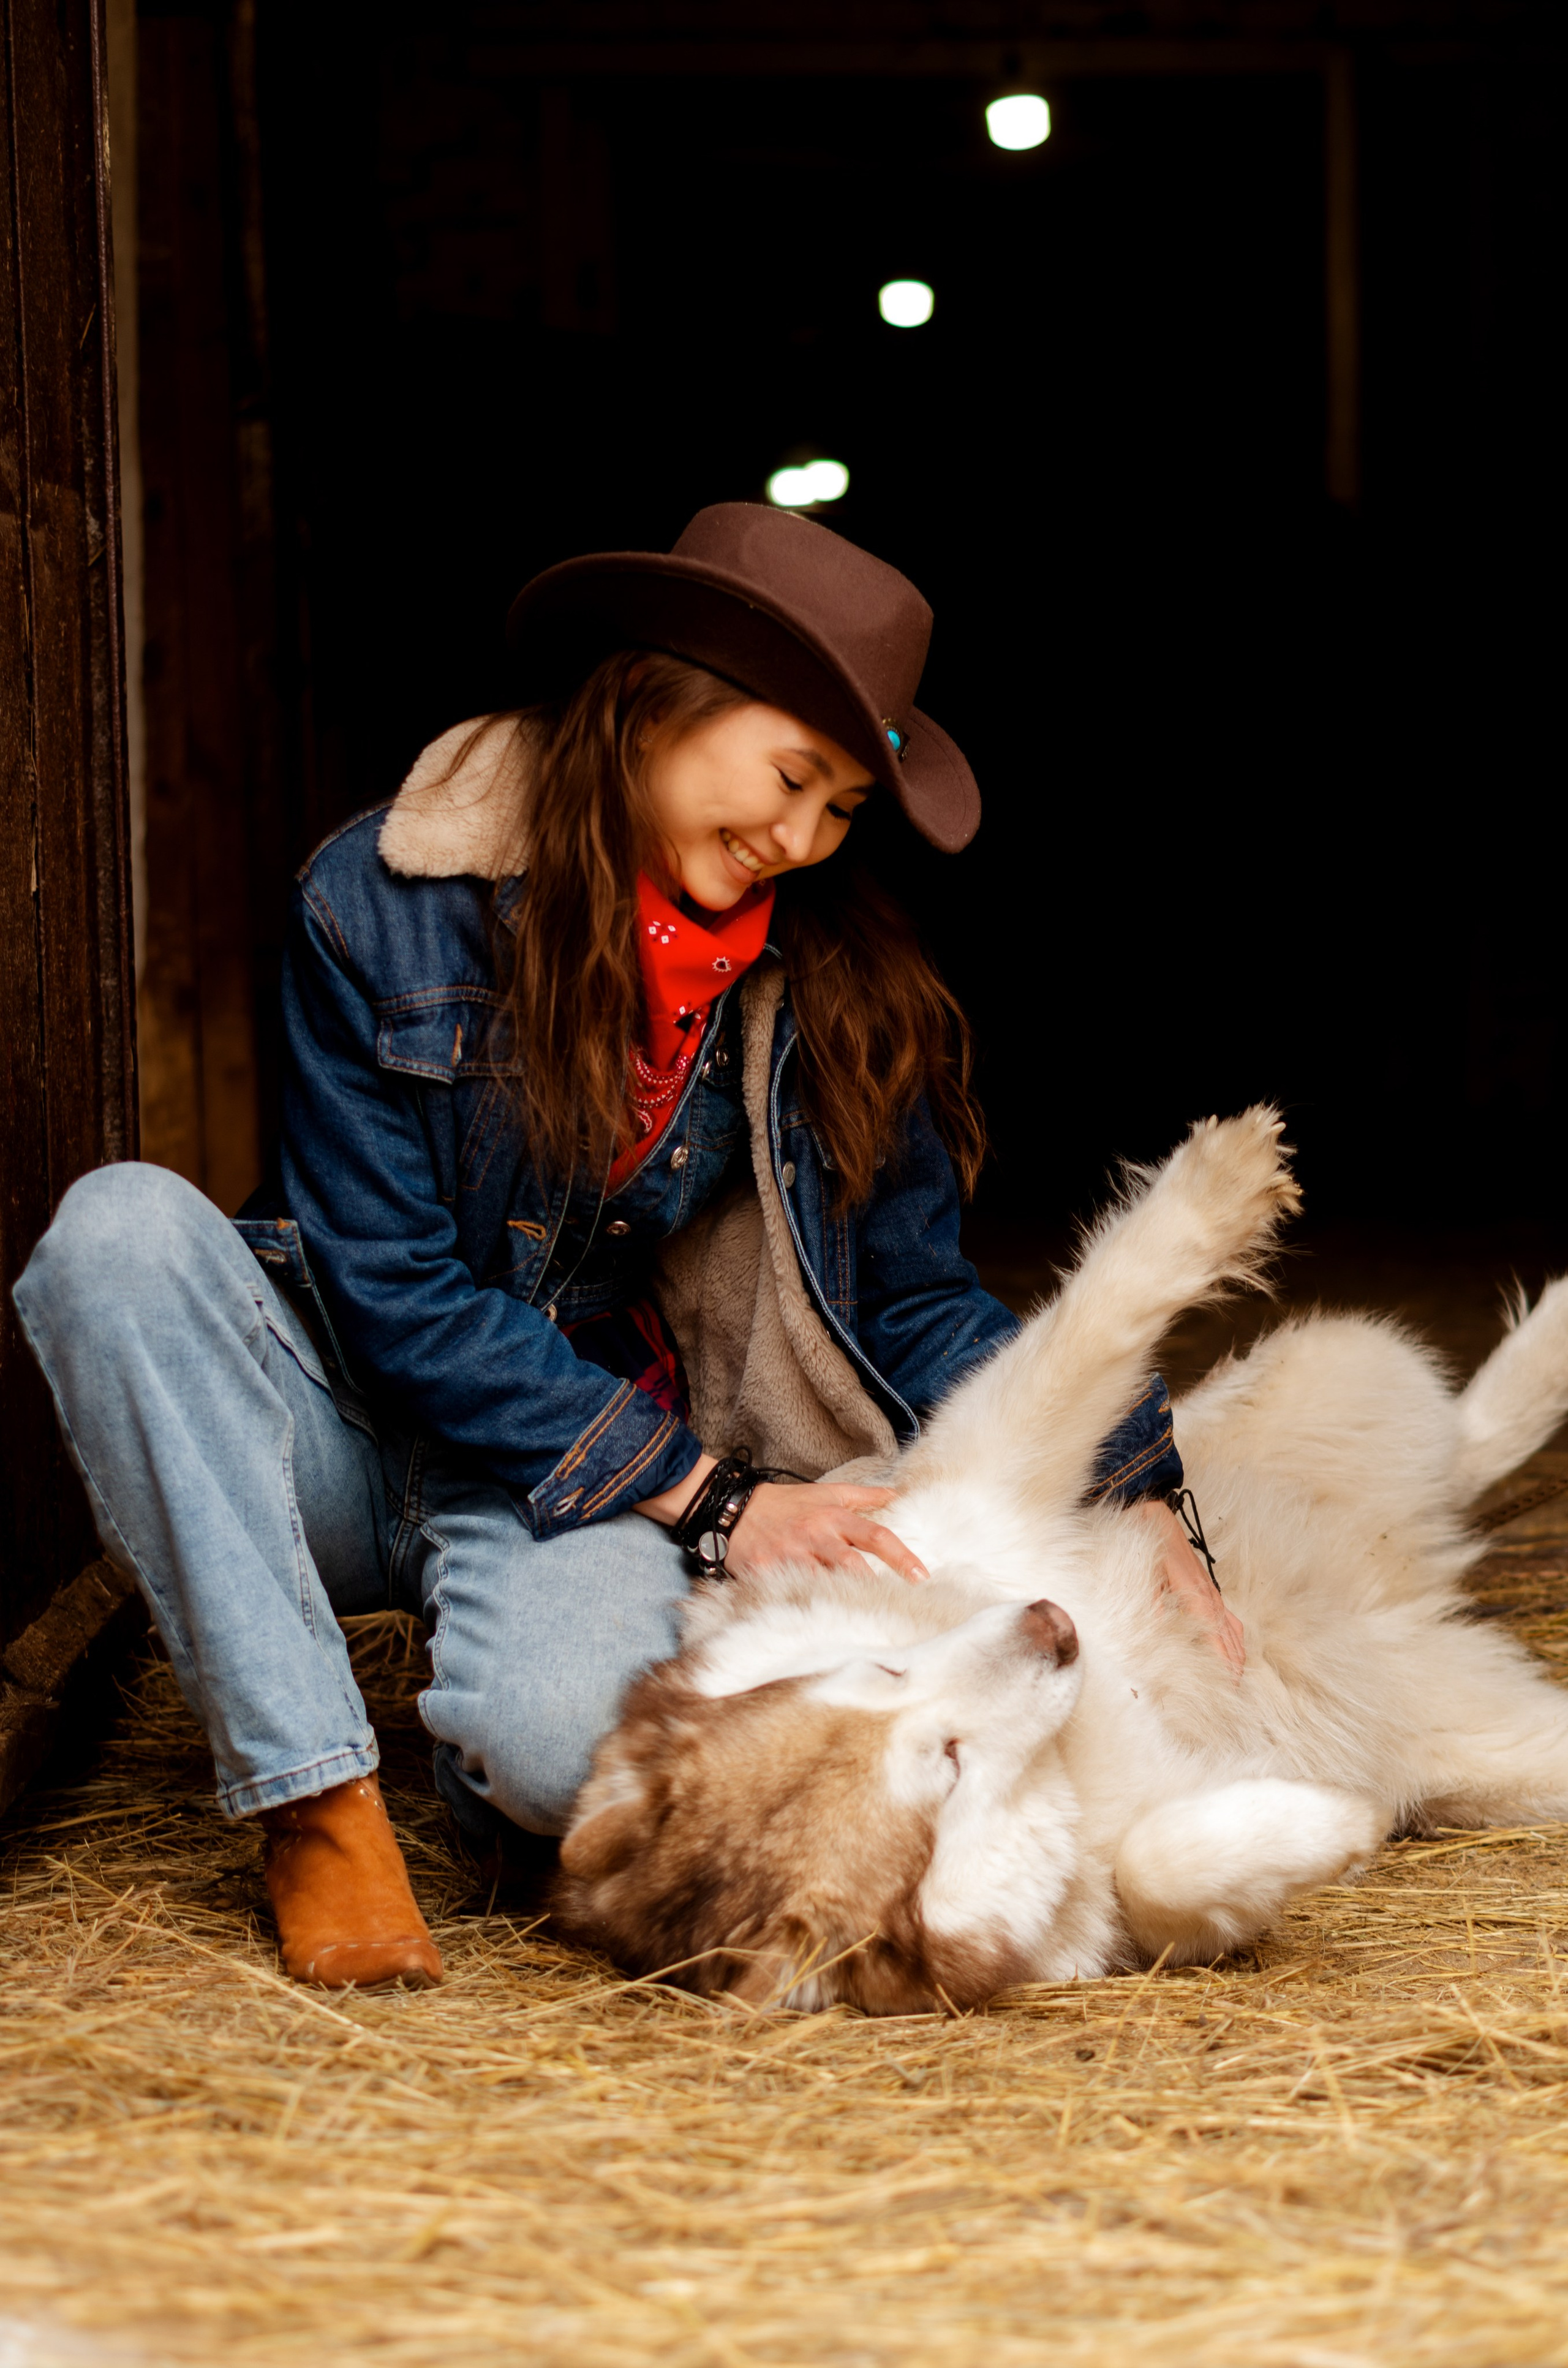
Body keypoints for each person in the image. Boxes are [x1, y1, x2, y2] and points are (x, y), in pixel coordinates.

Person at [14, 503, 1232, 1993]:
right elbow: (390, 1284)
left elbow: (912, 1298)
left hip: (568, 1480)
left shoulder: (829, 984)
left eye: (843, 808)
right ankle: (312, 1797)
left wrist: (1136, 1483)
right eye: (792, 776)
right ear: (658, 698)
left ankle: (484, 1770)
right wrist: (716, 1500)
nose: (801, 838)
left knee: (559, 1758)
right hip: (337, 1414)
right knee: (117, 1233)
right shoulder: (383, 901)